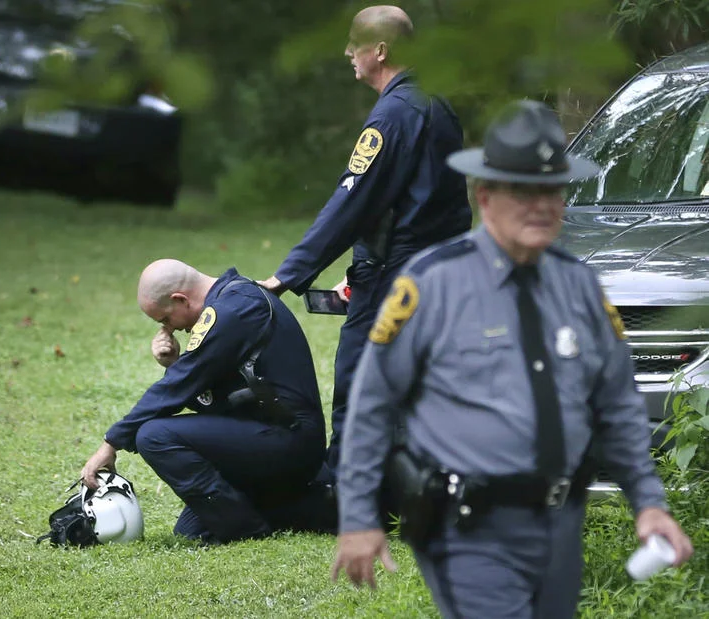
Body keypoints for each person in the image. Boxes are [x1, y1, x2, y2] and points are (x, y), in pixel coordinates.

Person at [330, 100, 694, 618]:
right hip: (467, 527)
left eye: (553, 190)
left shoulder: (581, 287)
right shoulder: (432, 285)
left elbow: (618, 406)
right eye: (524, 191)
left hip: (561, 524)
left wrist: (648, 502)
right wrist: (359, 515)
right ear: (485, 196)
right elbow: (372, 404)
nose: (542, 205)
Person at [259, 5, 473, 471]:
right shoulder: (439, 104)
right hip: (442, 270)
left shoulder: (393, 115)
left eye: (354, 43)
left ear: (380, 50)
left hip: (395, 275)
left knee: (359, 380)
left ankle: (346, 491)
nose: (347, 52)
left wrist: (287, 275)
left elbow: (352, 202)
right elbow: (448, 203)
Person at [80, 259, 336, 544]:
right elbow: (216, 403)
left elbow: (176, 388)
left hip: (290, 441)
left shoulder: (232, 311)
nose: (170, 329)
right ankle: (312, 504)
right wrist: (175, 363)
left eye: (165, 319)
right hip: (268, 435)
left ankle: (247, 530)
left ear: (180, 299)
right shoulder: (232, 301)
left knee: (154, 436)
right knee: (192, 530)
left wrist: (111, 444)